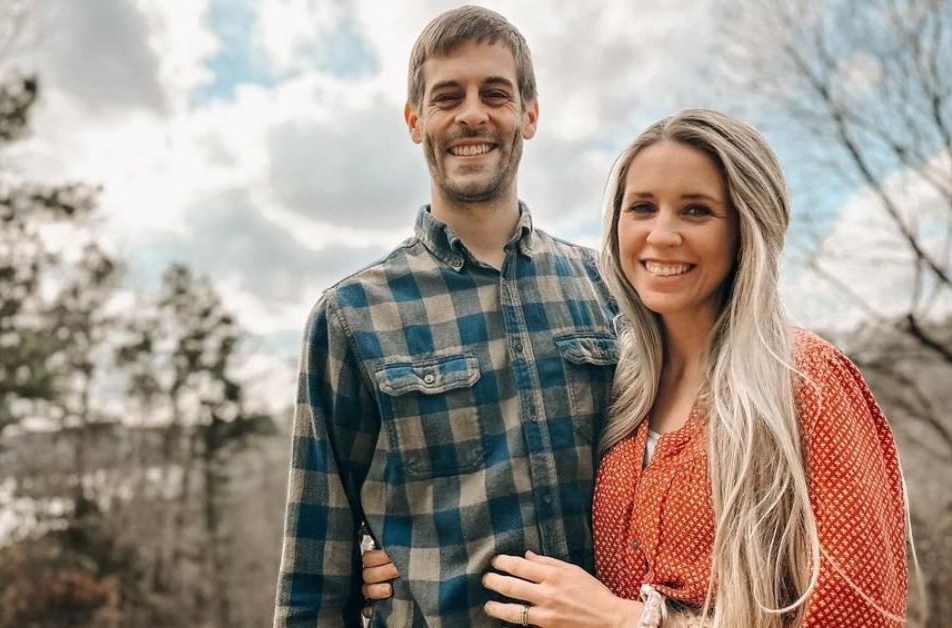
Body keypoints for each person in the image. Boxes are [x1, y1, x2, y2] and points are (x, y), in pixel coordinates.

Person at [365, 109, 909, 627]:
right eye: (643, 208)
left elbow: (855, 615)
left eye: (696, 210)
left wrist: (626, 620)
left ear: (746, 226)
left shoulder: (807, 382)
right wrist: (401, 557)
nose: (662, 235)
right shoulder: (615, 383)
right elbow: (527, 493)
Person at [273, 6, 618, 626]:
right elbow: (312, 570)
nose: (472, 115)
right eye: (447, 96)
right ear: (415, 120)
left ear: (530, 115)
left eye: (496, 93)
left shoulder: (608, 289)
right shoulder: (351, 316)